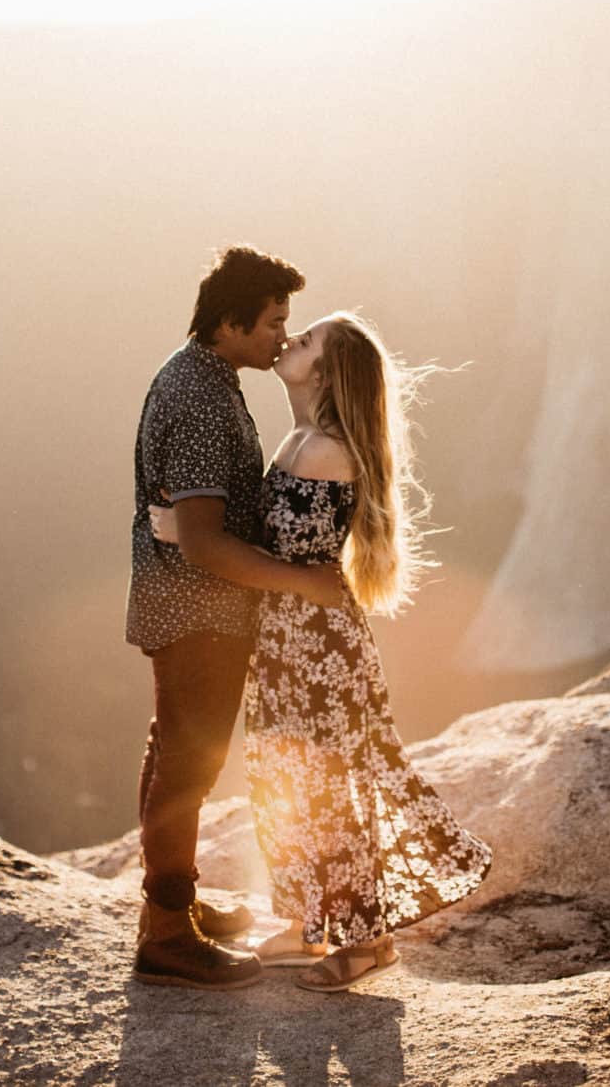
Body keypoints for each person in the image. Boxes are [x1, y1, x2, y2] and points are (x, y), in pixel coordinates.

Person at [152, 310, 493, 992]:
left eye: (305, 341)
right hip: (285, 642)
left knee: (330, 786)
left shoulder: (323, 449)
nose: (288, 340)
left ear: (329, 372)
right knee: (283, 779)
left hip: (319, 648)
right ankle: (309, 922)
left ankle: (367, 940)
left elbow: (267, 547)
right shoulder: (303, 438)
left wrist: (191, 535)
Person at [126, 246, 344, 991]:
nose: (282, 339)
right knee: (188, 766)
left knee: (173, 756)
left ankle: (173, 905)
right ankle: (164, 935)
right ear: (229, 322)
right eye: (272, 324)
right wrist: (302, 584)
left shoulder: (205, 376)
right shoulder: (196, 398)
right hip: (197, 610)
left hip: (186, 606)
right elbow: (203, 540)